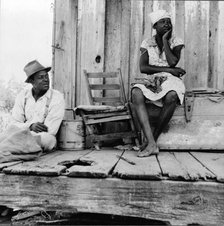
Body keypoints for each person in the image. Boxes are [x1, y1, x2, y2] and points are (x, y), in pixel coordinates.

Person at [131, 10, 186, 157]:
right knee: (136, 92)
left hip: (171, 79)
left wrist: (166, 41)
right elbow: (143, 68)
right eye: (163, 22)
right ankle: (151, 143)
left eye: (169, 21)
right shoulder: (146, 43)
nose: (168, 24)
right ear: (155, 25)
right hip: (154, 79)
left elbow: (173, 61)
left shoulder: (177, 41)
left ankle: (151, 142)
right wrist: (169, 69)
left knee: (172, 95)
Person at [11, 60, 65, 151]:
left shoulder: (57, 97)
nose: (46, 80)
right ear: (32, 81)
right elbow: (14, 123)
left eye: (46, 76)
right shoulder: (22, 96)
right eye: (41, 77)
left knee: (47, 139)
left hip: (42, 138)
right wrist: (30, 126)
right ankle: (22, 149)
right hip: (23, 135)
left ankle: (16, 148)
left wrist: (24, 129)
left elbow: (50, 130)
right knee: (7, 132)